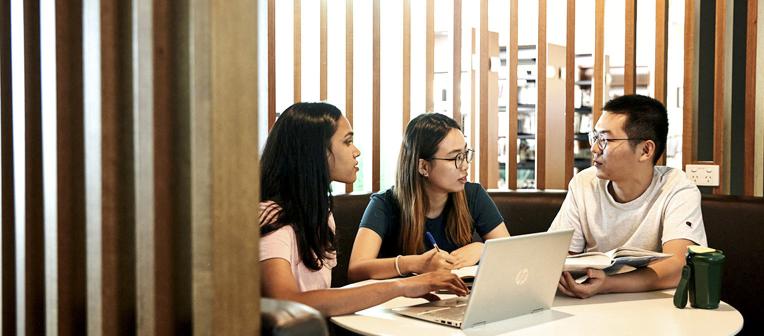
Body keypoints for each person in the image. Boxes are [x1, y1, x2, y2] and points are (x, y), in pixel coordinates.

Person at [259, 102, 468, 317]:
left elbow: (324, 298)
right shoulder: (271, 218)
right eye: (347, 141)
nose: (356, 151)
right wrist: (404, 286)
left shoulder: (320, 214)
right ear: (315, 152)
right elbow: (286, 302)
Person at [548, 94, 708, 299]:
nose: (594, 148)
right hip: (593, 308)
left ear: (645, 150)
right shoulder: (584, 184)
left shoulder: (677, 189)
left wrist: (607, 284)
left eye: (605, 139)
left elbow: (679, 266)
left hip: (656, 310)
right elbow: (558, 257)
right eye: (595, 137)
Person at [348, 113, 510, 282]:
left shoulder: (473, 194)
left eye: (465, 154)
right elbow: (356, 269)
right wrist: (416, 263)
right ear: (424, 166)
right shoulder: (385, 204)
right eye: (455, 157)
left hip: (457, 299)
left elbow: (510, 252)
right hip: (404, 303)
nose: (465, 165)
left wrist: (483, 248)